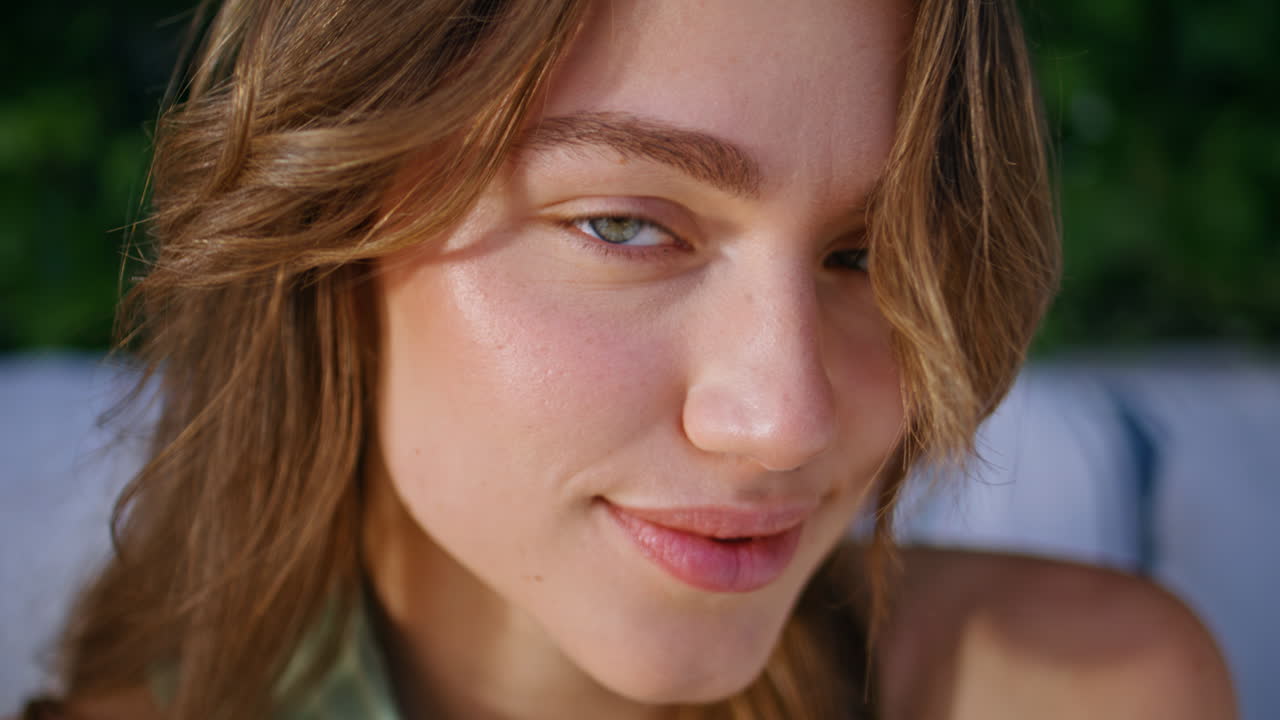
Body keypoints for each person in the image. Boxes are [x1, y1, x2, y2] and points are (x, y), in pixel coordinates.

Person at [18, 0, 1234, 718]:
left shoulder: (1070, 688)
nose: (785, 421)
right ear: (328, 223)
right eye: (623, 225)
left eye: (866, 258)